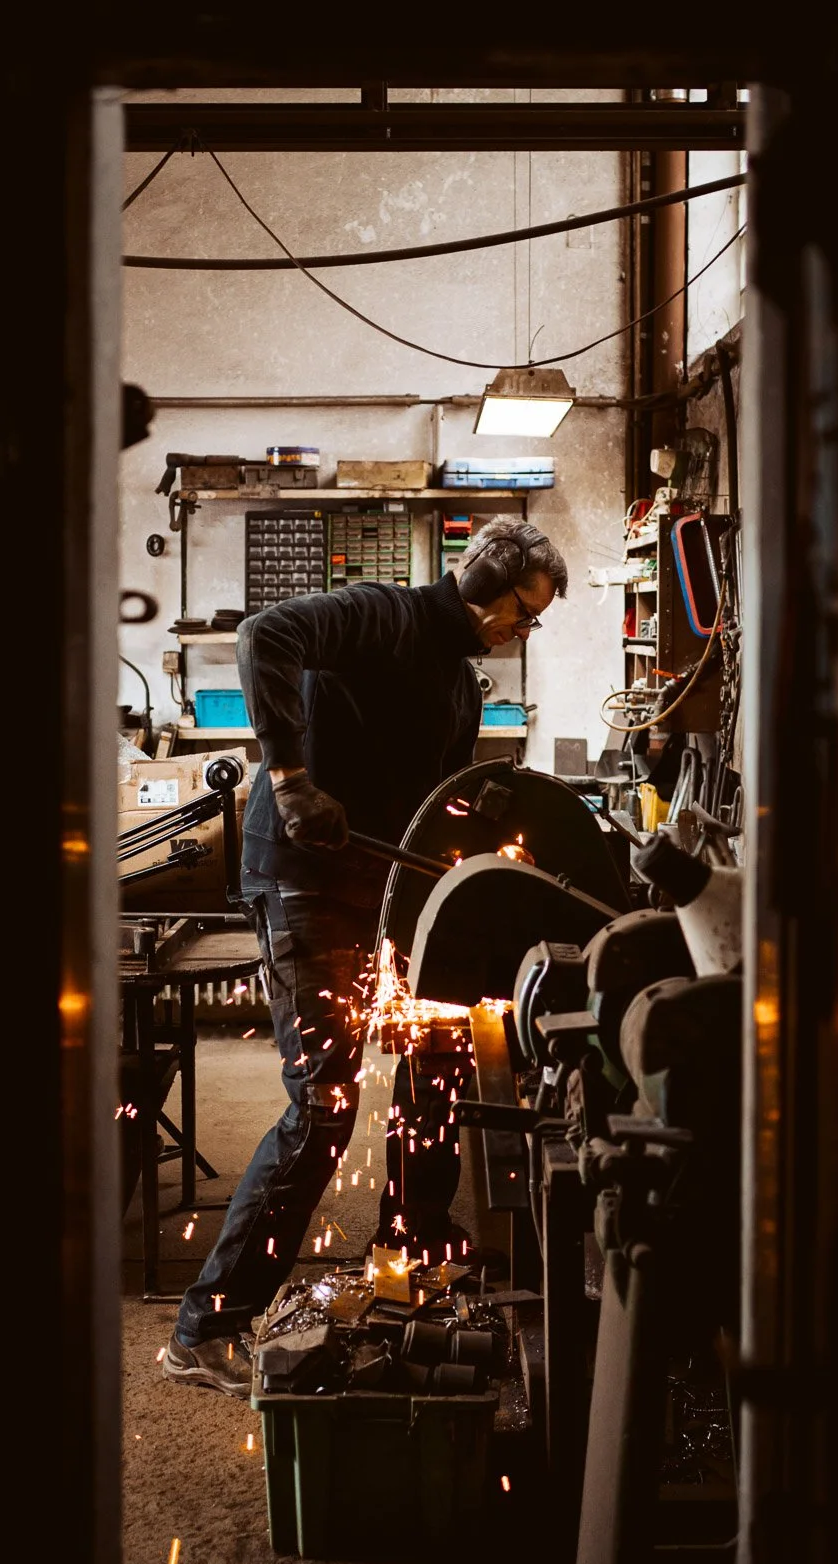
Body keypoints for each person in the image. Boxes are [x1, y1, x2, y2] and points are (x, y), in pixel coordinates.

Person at [163, 515, 568, 1394]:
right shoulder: (380, 616)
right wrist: (292, 780)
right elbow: (262, 636)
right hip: (306, 880)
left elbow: (438, 809)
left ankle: (412, 1268)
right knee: (325, 1104)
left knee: (435, 1066)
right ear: (490, 589)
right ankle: (206, 1327)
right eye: (524, 613)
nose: (522, 632)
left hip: (381, 892)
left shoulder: (460, 688)